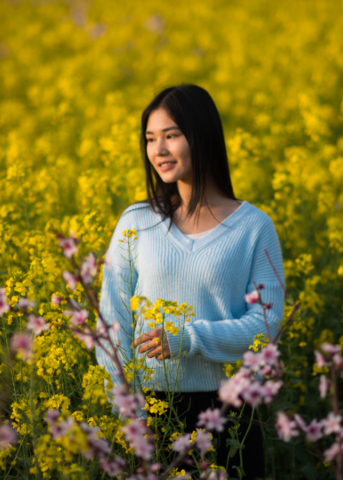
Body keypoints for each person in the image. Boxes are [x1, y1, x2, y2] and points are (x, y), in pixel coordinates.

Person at [96, 84, 284, 480]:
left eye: (171, 136)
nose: (158, 150)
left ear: (201, 135)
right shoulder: (136, 222)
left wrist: (188, 337)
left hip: (228, 416)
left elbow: (265, 325)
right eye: (150, 139)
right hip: (148, 415)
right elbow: (111, 324)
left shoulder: (253, 227)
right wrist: (126, 410)